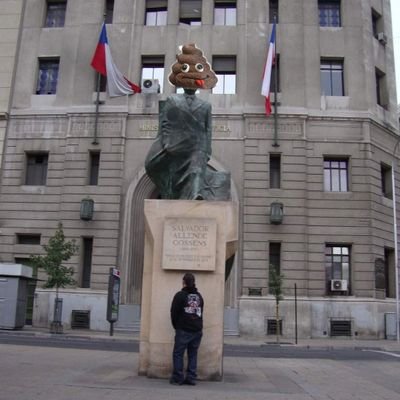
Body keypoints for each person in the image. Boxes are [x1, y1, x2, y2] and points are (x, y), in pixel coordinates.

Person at [170, 272, 204, 385]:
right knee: (193, 354)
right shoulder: (199, 296)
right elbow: (201, 311)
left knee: (178, 354)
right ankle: (191, 377)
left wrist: (177, 326)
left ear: (183, 282)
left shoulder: (180, 295)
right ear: (193, 282)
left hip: (183, 329)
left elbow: (173, 312)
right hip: (197, 329)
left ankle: (178, 377)